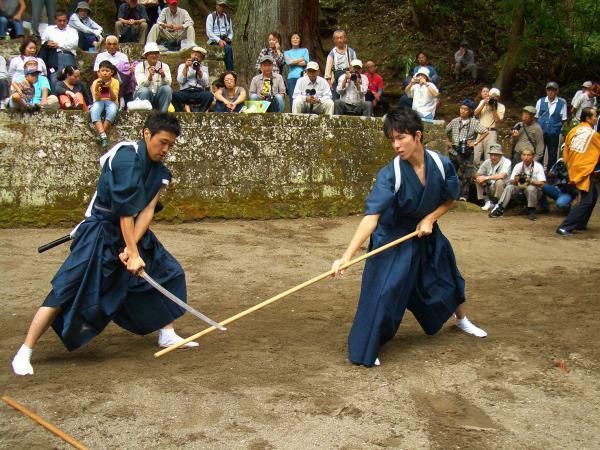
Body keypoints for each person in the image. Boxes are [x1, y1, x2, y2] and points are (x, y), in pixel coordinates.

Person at [11, 113, 201, 377]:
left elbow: (145, 211)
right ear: (146, 133)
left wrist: (131, 246)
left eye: (171, 145)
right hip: (101, 230)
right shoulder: (125, 156)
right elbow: (125, 209)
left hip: (132, 230)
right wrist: (131, 253)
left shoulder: (160, 172)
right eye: (163, 142)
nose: (166, 150)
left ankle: (167, 334)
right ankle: (25, 350)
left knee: (167, 271)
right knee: (67, 288)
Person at [330, 108, 487, 368]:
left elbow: (450, 199)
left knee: (449, 273)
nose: (396, 145)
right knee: (384, 290)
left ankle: (461, 320)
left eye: (400, 137)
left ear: (418, 136)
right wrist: (346, 257)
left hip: (425, 230)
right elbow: (371, 217)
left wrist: (430, 218)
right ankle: (369, 344)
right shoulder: (391, 174)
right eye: (392, 139)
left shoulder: (441, 163)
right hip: (393, 235)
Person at [556, 107, 600, 235]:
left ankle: (580, 223)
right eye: (594, 116)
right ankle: (565, 226)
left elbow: (566, 149)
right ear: (588, 118)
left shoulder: (573, 131)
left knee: (593, 196)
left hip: (574, 167)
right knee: (586, 201)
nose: (596, 118)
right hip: (583, 169)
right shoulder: (593, 135)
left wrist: (568, 164)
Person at [446, 99, 489, 200]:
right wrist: (448, 141)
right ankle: (450, 195)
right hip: (454, 150)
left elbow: (485, 132)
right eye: (461, 108)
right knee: (452, 173)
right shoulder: (455, 121)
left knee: (466, 174)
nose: (462, 111)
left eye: (465, 109)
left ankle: (463, 196)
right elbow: (445, 130)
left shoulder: (474, 122)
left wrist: (475, 142)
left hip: (467, 152)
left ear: (469, 111)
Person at [488, 148, 546, 220]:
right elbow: (511, 181)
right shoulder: (518, 166)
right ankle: (500, 208)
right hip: (519, 188)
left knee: (530, 188)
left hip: (534, 191)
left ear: (533, 156)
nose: (526, 157)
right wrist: (516, 180)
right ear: (521, 156)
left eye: (528, 155)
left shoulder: (538, 166)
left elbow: (542, 184)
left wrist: (531, 181)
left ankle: (531, 210)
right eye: (524, 155)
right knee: (509, 187)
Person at [40, 10, 79, 85]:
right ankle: (55, 95)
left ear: (67, 20)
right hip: (53, 56)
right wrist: (47, 43)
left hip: (68, 55)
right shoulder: (49, 29)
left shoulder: (72, 31)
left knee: (71, 77)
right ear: (55, 21)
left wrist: (59, 45)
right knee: (54, 77)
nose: (62, 23)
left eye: (64, 21)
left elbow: (73, 44)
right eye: (59, 20)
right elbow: (43, 41)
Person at [536, 81, 567, 170]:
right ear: (546, 91)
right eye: (549, 90)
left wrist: (557, 128)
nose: (551, 92)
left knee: (552, 154)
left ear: (557, 91)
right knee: (540, 152)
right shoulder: (540, 101)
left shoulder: (562, 103)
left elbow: (563, 119)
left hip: (554, 132)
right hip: (541, 131)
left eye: (553, 90)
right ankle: (539, 171)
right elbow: (536, 116)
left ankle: (551, 173)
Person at [134, 42, 172, 112]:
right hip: (143, 96)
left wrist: (163, 76)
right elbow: (141, 85)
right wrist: (149, 77)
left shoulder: (164, 66)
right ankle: (144, 116)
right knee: (144, 91)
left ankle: (163, 116)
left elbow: (169, 83)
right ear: (146, 55)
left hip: (158, 96)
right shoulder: (139, 66)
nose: (154, 55)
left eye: (156, 53)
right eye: (151, 53)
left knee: (167, 89)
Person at [172, 46, 213, 112]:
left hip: (198, 92)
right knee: (174, 95)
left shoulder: (204, 68)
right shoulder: (182, 66)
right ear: (191, 54)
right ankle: (181, 114)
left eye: (199, 56)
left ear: (202, 59)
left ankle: (200, 113)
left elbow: (206, 83)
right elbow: (180, 81)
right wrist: (186, 67)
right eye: (195, 55)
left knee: (209, 95)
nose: (196, 57)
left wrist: (199, 70)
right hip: (185, 91)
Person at [90, 61, 120, 148]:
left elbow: (114, 98)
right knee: (94, 110)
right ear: (99, 72)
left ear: (111, 72)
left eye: (107, 71)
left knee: (112, 110)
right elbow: (97, 98)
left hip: (111, 101)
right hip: (99, 101)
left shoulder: (115, 82)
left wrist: (109, 87)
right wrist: (97, 88)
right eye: (102, 70)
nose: (105, 73)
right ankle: (103, 135)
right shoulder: (96, 82)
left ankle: (101, 135)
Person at [473, 87, 505, 166]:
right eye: (492, 96)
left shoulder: (501, 107)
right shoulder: (483, 102)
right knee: (476, 154)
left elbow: (497, 120)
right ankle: (475, 174)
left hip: (492, 132)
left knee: (489, 155)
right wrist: (484, 104)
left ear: (498, 98)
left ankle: (488, 175)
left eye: (496, 97)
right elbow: (475, 114)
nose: (494, 98)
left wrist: (493, 108)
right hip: (481, 131)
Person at [474, 144, 511, 211]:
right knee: (478, 179)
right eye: (491, 155)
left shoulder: (506, 162)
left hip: (504, 188)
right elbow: (477, 174)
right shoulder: (487, 161)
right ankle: (487, 201)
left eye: (496, 155)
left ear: (501, 155)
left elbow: (502, 175)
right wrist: (480, 177)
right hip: (490, 185)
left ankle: (498, 203)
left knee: (499, 181)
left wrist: (486, 178)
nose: (493, 157)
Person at [324, 29, 357, 100]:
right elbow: (328, 69)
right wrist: (329, 82)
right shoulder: (332, 53)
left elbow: (356, 66)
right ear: (334, 40)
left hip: (348, 75)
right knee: (335, 98)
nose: (339, 40)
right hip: (336, 77)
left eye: (341, 37)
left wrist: (353, 70)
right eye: (337, 38)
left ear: (345, 38)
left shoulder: (351, 52)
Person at [284, 32, 309, 112]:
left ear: (300, 40)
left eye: (297, 38)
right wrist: (301, 59)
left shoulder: (305, 50)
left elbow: (305, 63)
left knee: (304, 96)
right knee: (293, 97)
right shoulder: (286, 52)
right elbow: (288, 62)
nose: (295, 39)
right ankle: (293, 115)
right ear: (290, 40)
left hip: (303, 76)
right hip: (292, 77)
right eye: (293, 38)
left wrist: (293, 61)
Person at [205, 0, 233, 71]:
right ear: (216, 6)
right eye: (220, 6)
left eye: (223, 6)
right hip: (214, 40)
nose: (222, 8)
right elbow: (209, 32)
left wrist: (228, 38)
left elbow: (231, 32)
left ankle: (229, 71)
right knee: (228, 49)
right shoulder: (211, 17)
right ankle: (230, 71)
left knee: (228, 47)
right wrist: (219, 40)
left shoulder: (228, 18)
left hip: (225, 40)